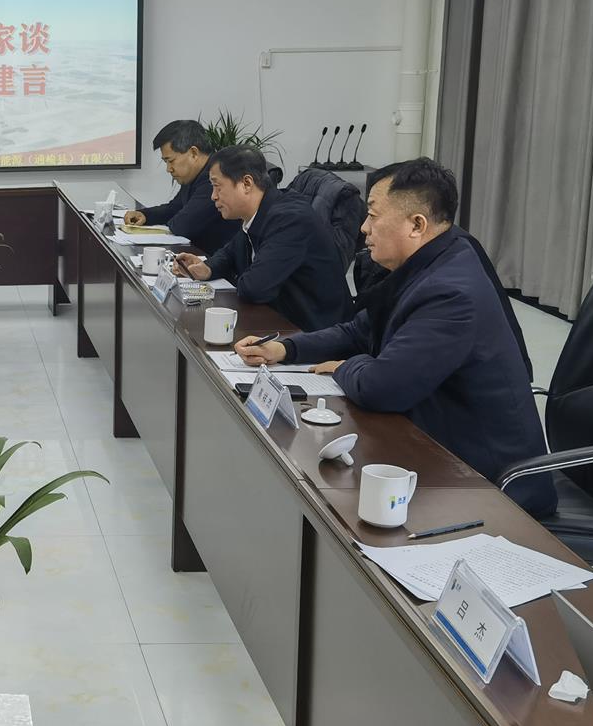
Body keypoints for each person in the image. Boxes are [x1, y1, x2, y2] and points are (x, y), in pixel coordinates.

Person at [237, 159, 554, 517]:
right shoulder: (428, 262)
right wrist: (285, 348)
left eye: (373, 215)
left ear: (416, 225)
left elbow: (381, 387)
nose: (363, 227)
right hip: (436, 446)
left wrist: (345, 366)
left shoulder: (451, 292)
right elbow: (359, 329)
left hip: (488, 484)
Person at [173, 145, 351, 331]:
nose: (213, 196)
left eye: (217, 186)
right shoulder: (261, 211)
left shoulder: (290, 219)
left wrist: (234, 278)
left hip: (314, 331)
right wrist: (207, 268)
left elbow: (254, 288)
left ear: (246, 183)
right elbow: (230, 252)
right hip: (280, 321)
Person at [123, 120, 239, 253]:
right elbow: (175, 208)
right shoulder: (194, 175)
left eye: (171, 161)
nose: (169, 169)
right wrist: (145, 215)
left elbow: (182, 225)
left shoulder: (214, 178)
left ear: (193, 153)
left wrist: (171, 221)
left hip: (216, 259)